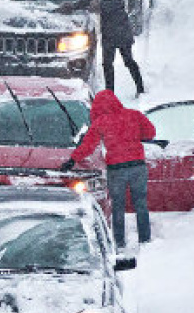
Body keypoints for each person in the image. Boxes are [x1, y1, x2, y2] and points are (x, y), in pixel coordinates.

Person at [60, 90, 163, 248]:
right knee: (141, 204)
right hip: (138, 166)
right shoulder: (133, 115)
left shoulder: (101, 122)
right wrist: (136, 135)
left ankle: (120, 242)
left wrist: (72, 160)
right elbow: (151, 133)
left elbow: (88, 146)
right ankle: (145, 240)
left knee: (118, 206)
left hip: (117, 169)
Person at [59, 0, 144, 95]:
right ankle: (110, 93)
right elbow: (86, 0)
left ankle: (140, 88)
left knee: (128, 61)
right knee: (107, 64)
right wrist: (72, 6)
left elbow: (115, 4)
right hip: (108, 33)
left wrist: (99, 5)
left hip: (121, 32)